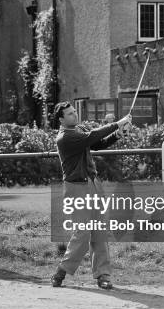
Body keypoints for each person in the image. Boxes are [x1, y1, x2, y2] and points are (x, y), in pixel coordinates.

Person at [50, 102, 132, 289]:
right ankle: (62, 270)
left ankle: (103, 275)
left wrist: (118, 134)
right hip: (76, 188)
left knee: (100, 231)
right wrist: (117, 123)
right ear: (61, 119)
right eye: (70, 114)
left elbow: (97, 144)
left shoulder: (77, 132)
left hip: (93, 184)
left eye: (74, 112)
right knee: (83, 232)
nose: (74, 115)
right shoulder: (65, 137)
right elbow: (93, 136)